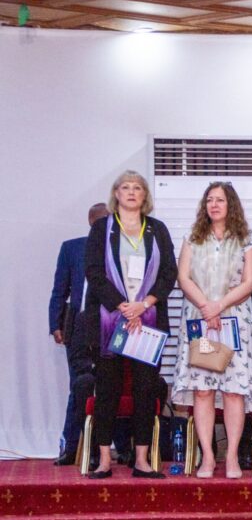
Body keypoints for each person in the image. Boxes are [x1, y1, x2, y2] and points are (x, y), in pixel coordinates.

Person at [84, 171, 177, 479]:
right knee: (107, 390)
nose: (132, 192)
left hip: (147, 319)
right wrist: (122, 306)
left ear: (144, 195)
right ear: (117, 194)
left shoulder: (157, 229)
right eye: (125, 187)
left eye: (137, 188)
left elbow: (169, 273)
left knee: (145, 390)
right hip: (110, 320)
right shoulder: (102, 228)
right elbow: (93, 272)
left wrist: (144, 304)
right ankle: (104, 460)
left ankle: (141, 460)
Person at [171, 182, 252, 479]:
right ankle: (208, 458)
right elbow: (183, 277)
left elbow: (250, 282)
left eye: (220, 200)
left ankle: (232, 457)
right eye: (209, 200)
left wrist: (219, 305)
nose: (214, 205)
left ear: (230, 204)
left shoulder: (246, 238)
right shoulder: (193, 237)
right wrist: (205, 306)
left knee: (234, 392)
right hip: (201, 323)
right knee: (203, 390)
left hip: (233, 322)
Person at [50, 202, 109, 465]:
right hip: (79, 327)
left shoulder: (119, 250)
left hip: (110, 326)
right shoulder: (72, 248)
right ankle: (73, 447)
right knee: (79, 386)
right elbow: (59, 289)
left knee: (110, 387)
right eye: (98, 222)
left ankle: (113, 448)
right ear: (90, 223)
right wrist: (55, 324)